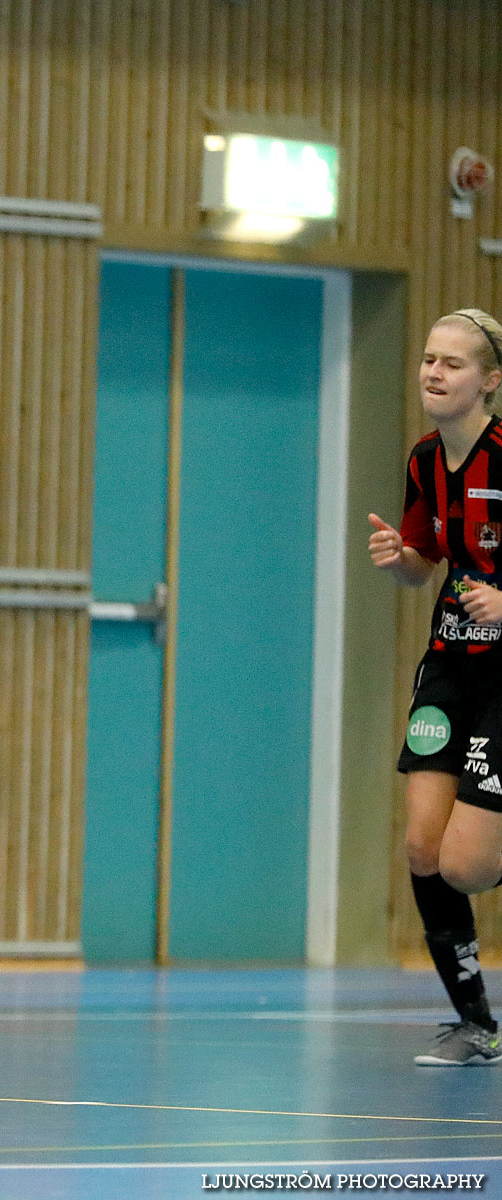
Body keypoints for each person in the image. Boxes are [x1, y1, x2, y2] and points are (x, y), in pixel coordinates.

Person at [369, 306, 502, 1067]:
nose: (434, 371)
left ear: (489, 382)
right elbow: (425, 562)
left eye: (453, 362)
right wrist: (401, 561)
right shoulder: (425, 459)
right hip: (451, 664)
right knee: (424, 847)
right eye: (428, 358)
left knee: (468, 865)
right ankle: (476, 1024)